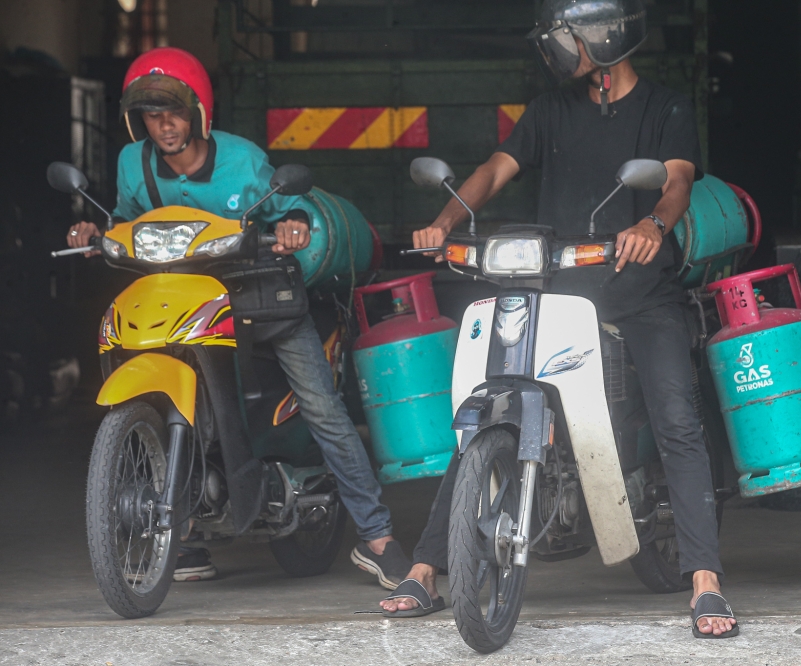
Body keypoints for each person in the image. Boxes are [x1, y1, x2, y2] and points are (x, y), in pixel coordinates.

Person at [380, 0, 739, 638]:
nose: (559, 48)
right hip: (557, 286)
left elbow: (676, 182)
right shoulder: (549, 110)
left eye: (568, 35)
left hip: (639, 289)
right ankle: (430, 566)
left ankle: (705, 579)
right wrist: (448, 217)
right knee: (486, 410)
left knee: (676, 417)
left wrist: (653, 225)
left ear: (605, 37)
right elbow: (497, 168)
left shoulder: (665, 109)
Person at [67, 47, 410, 589]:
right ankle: (185, 534)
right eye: (152, 114)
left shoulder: (243, 161)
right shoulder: (132, 163)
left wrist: (295, 224)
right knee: (182, 397)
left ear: (200, 111)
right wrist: (95, 233)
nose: (165, 125)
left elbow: (287, 211)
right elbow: (132, 220)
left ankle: (378, 537)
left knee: (322, 408)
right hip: (183, 303)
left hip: (258, 297)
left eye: (175, 111)